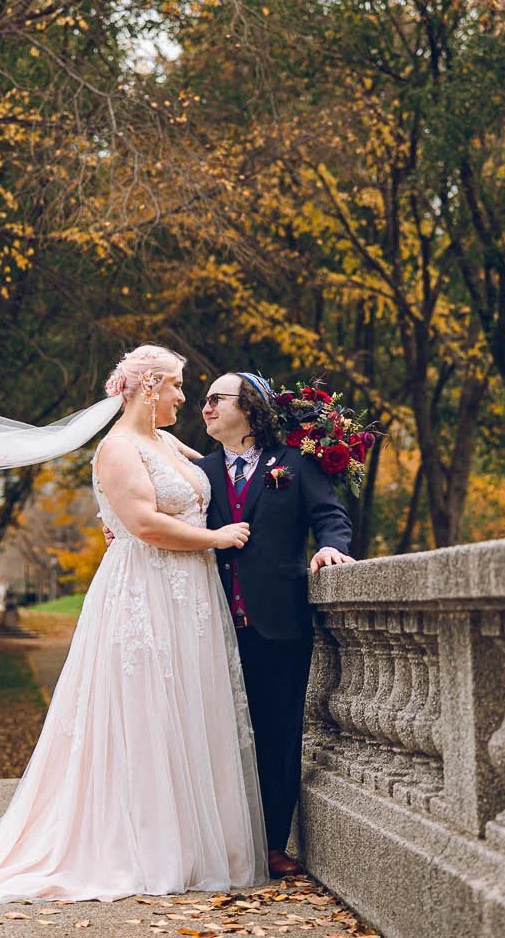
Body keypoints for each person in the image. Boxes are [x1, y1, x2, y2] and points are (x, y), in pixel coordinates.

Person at [0, 345, 267, 903]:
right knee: (146, 711)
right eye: (175, 387)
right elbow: (144, 522)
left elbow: (218, 470)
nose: (182, 397)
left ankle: (193, 845)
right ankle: (144, 848)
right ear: (149, 387)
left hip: (189, 594)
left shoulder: (167, 442)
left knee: (187, 709)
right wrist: (216, 539)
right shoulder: (118, 449)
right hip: (144, 591)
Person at [196, 372, 353, 878]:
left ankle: (271, 844)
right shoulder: (200, 473)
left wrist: (332, 546)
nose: (206, 406)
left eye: (217, 398)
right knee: (214, 737)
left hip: (278, 625)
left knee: (278, 733)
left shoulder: (295, 464)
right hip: (210, 625)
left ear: (251, 407)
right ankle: (216, 843)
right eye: (203, 399)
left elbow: (330, 516)